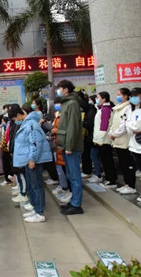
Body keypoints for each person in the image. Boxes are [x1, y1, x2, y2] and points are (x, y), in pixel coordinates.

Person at [12, 105, 53, 222]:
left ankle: (39, 213)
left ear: (19, 115)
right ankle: (35, 209)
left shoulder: (31, 124)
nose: (15, 121)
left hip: (34, 160)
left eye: (15, 119)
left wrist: (32, 159)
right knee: (32, 185)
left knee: (37, 186)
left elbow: (35, 143)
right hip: (29, 159)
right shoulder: (27, 123)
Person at [57, 79, 85, 215]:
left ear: (66, 89)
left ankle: (76, 204)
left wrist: (69, 146)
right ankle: (73, 200)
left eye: (60, 88)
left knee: (74, 176)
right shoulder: (67, 103)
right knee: (70, 175)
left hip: (71, 147)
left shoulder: (72, 103)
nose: (59, 91)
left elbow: (72, 127)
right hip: (66, 145)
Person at [109, 88, 137, 195]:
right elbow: (113, 123)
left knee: (127, 163)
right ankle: (127, 184)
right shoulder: (118, 108)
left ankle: (131, 185)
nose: (118, 96)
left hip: (124, 139)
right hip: (117, 139)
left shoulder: (128, 108)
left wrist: (115, 134)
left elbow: (124, 125)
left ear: (125, 96)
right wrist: (111, 132)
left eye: (119, 94)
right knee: (122, 163)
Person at [93, 92, 117, 188]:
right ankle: (110, 178)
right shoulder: (102, 109)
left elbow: (104, 125)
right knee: (105, 159)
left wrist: (99, 139)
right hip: (102, 139)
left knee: (107, 160)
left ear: (104, 99)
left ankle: (111, 180)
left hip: (104, 140)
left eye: (98, 97)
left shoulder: (106, 110)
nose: (97, 99)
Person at [85, 95, 101, 182]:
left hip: (96, 137)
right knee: (94, 156)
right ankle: (97, 173)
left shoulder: (95, 110)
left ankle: (98, 174)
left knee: (94, 156)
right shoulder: (96, 109)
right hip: (95, 137)